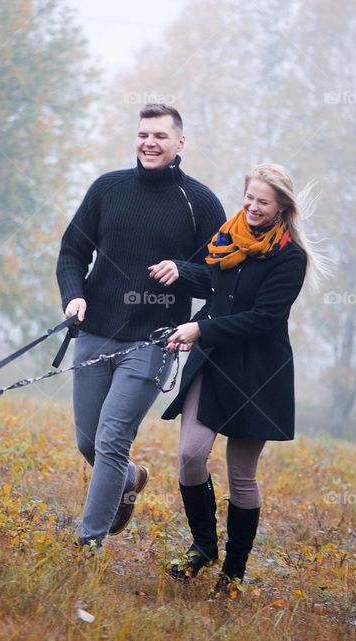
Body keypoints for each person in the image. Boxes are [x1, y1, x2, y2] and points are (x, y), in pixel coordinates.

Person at [148, 163, 329, 592]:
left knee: (241, 475)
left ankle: (234, 573)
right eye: (248, 197)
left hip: (258, 374)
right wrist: (178, 268)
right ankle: (203, 547)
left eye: (262, 202)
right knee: (191, 456)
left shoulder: (289, 257)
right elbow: (213, 283)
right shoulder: (228, 238)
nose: (252, 207)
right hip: (211, 365)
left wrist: (200, 329)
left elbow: (263, 319)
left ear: (282, 206)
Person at [56, 104, 226, 547]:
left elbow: (223, 279)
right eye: (143, 134)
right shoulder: (107, 189)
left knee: (112, 439)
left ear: (180, 143)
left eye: (160, 136)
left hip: (153, 343)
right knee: (89, 442)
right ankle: (130, 479)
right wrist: (73, 296)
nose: (149, 143)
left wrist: (183, 271)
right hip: (95, 332)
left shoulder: (201, 203)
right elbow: (73, 251)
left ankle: (87, 543)